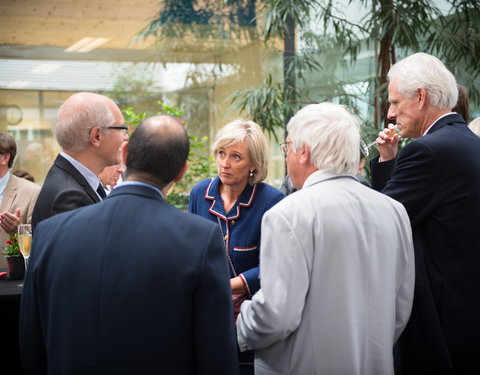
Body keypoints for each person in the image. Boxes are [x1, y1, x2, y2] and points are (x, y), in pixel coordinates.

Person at [20, 115, 239, 375]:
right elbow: (216, 354)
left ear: (124, 154)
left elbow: (31, 342)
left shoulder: (49, 233)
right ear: (182, 171)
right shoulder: (200, 240)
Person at [236, 102, 415, 375]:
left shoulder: (288, 214)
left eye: (287, 148)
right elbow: (400, 308)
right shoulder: (394, 210)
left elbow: (276, 317)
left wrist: (242, 320)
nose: (287, 157)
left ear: (303, 152)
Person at [370, 52, 480, 374]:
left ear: (420, 97)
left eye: (394, 102)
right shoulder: (468, 142)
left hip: (438, 317)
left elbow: (384, 221)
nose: (390, 114)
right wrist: (389, 161)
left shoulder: (427, 151)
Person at [188, 119, 284, 373]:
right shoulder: (200, 193)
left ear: (254, 163)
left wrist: (227, 285)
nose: (224, 163)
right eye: (221, 153)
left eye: (236, 157)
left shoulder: (272, 201)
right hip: (206, 315)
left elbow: (276, 267)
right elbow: (191, 253)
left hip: (251, 320)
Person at [31, 92, 128, 229]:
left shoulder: (71, 180)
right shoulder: (69, 197)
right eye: (122, 129)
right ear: (97, 136)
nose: (125, 138)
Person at [0, 134, 40, 269]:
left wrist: (18, 230)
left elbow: (42, 242)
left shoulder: (32, 192)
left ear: (5, 158)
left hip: (10, 281)